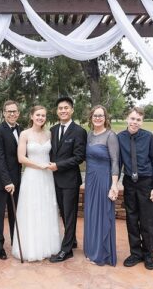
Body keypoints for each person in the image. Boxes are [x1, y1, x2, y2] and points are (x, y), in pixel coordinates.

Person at [12, 105, 61, 261]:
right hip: (32, 176)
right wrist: (39, 165)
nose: (41, 118)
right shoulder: (25, 134)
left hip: (47, 177)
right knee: (31, 209)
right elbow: (21, 158)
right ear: (31, 116)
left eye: (43, 115)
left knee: (46, 209)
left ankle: (47, 245)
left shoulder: (49, 133)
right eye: (38, 115)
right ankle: (31, 248)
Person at [118, 107, 153, 270]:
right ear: (127, 119)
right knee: (131, 219)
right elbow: (118, 162)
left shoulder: (148, 137)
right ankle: (135, 253)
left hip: (146, 183)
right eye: (132, 118)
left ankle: (148, 254)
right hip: (129, 183)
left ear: (142, 121)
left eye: (138, 120)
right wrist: (113, 183)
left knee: (147, 221)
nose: (135, 122)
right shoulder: (120, 138)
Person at [49, 97, 87, 263]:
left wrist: (58, 165)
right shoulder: (52, 129)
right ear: (57, 111)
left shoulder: (79, 131)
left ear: (72, 110)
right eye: (60, 108)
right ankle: (72, 240)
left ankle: (67, 250)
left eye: (66, 108)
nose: (63, 111)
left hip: (70, 180)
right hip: (54, 180)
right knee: (64, 213)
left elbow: (79, 157)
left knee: (70, 214)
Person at [83, 105, 119, 266]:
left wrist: (114, 185)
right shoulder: (89, 135)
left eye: (101, 115)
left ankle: (102, 253)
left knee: (103, 215)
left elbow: (115, 162)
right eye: (95, 115)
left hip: (104, 180)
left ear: (106, 118)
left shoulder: (110, 136)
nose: (98, 118)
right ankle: (91, 249)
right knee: (91, 214)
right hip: (90, 180)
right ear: (91, 117)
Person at [0, 100, 22, 260]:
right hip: (1, 181)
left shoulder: (21, 130)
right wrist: (7, 181)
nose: (12, 114)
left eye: (14, 111)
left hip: (17, 180)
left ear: (18, 113)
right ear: (4, 113)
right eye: (9, 111)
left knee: (14, 214)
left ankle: (15, 243)